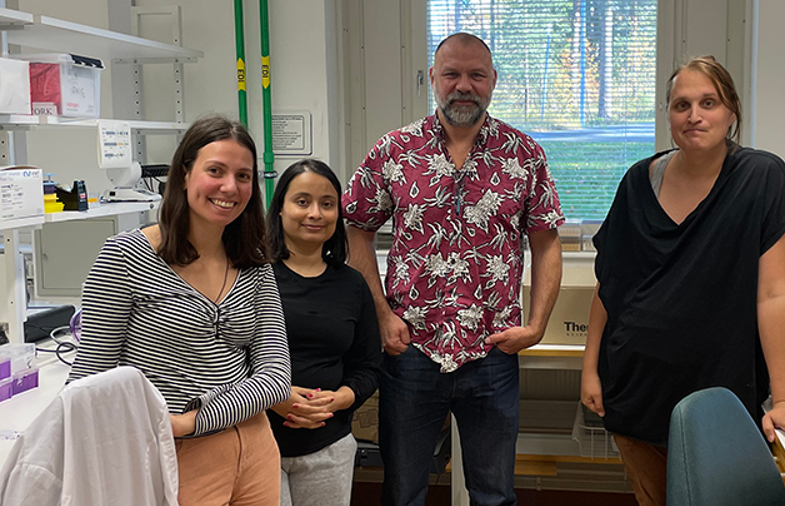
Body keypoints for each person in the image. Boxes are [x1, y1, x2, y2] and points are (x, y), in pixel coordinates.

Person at [580, 55, 785, 506]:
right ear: (669, 115)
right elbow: (609, 285)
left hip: (720, 394)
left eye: (708, 103)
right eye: (682, 105)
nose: (694, 115)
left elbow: (773, 293)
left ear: (731, 111)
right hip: (635, 385)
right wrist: (590, 369)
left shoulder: (761, 178)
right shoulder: (638, 182)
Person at [342, 32, 564, 506]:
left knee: (494, 493)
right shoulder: (394, 150)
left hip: (493, 349)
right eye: (452, 74)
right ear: (432, 78)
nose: (464, 86)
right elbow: (356, 229)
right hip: (411, 349)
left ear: (493, 81)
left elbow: (546, 243)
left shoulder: (524, 154)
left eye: (476, 75)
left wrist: (537, 325)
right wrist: (381, 315)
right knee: (403, 491)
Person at [67, 114, 291, 506]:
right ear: (184, 175)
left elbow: (275, 377)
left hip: (254, 446)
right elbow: (89, 380)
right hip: (171, 451)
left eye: (243, 176)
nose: (230, 187)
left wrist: (196, 420)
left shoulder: (254, 262)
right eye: (215, 171)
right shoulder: (125, 257)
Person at [264, 159, 381, 506]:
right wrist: (274, 397)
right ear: (280, 208)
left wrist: (342, 397)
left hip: (329, 446)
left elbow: (368, 366)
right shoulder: (252, 278)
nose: (315, 213)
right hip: (259, 442)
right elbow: (228, 359)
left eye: (327, 204)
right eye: (302, 202)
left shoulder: (352, 285)